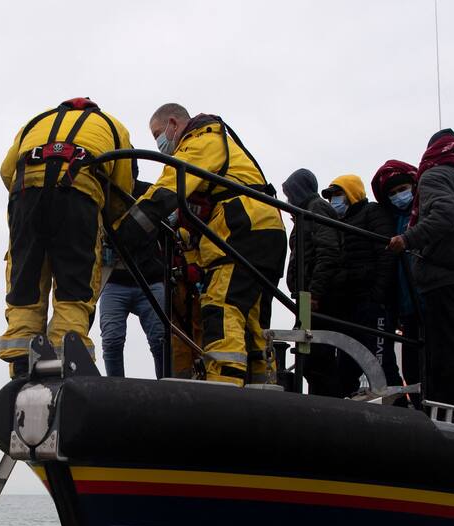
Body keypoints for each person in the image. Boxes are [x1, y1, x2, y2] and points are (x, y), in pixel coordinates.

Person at [115, 103, 286, 386]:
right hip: (263, 229)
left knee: (221, 306)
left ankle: (223, 386)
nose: (160, 143)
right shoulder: (220, 148)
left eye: (159, 134)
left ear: (173, 123)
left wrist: (127, 231)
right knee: (249, 318)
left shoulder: (201, 141)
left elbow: (168, 188)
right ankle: (262, 386)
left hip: (243, 228)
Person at [0, 98, 134, 377]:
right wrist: (109, 223)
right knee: (74, 285)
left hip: (25, 197)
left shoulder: (35, 122)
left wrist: (29, 196)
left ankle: (22, 363)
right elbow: (123, 188)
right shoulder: (113, 126)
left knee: (26, 283)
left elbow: (6, 171)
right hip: (78, 197)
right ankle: (66, 359)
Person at [388, 129, 454, 428]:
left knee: (444, 348)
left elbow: (446, 214)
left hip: (444, 274)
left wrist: (408, 238)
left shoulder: (434, 177)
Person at [326, 174, 400, 389]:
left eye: (338, 194)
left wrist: (377, 295)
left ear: (351, 192)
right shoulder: (340, 223)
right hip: (350, 304)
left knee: (381, 361)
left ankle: (398, 409)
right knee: (347, 364)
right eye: (331, 197)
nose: (334, 201)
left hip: (373, 302)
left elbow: (386, 254)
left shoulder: (373, 212)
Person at [281, 168, 347, 396]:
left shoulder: (316, 208)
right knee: (309, 356)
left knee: (316, 358)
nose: (288, 200)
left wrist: (315, 293)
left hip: (316, 298)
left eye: (290, 195)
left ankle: (329, 404)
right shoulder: (307, 211)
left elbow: (328, 251)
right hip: (307, 298)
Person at [99, 179, 167, 378]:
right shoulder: (101, 193)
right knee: (111, 340)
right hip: (114, 281)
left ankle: (166, 388)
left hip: (150, 280)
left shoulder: (149, 192)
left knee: (160, 340)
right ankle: (115, 391)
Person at [371, 160, 419, 404]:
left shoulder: (422, 215)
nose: (398, 196)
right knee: (411, 366)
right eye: (391, 193)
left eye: (402, 189)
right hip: (404, 303)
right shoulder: (390, 220)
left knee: (427, 363)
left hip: (424, 298)